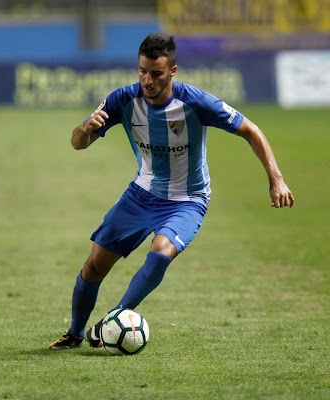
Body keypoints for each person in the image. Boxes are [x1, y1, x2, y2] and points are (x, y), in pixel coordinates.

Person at [49, 33, 294, 350]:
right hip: (140, 195)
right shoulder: (122, 100)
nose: (147, 81)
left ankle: (115, 318)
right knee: (94, 265)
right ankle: (74, 333)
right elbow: (77, 144)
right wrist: (83, 129)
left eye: (156, 74)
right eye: (142, 71)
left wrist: (277, 179)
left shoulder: (196, 103)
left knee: (162, 251)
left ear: (173, 71)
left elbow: (251, 130)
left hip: (188, 199)